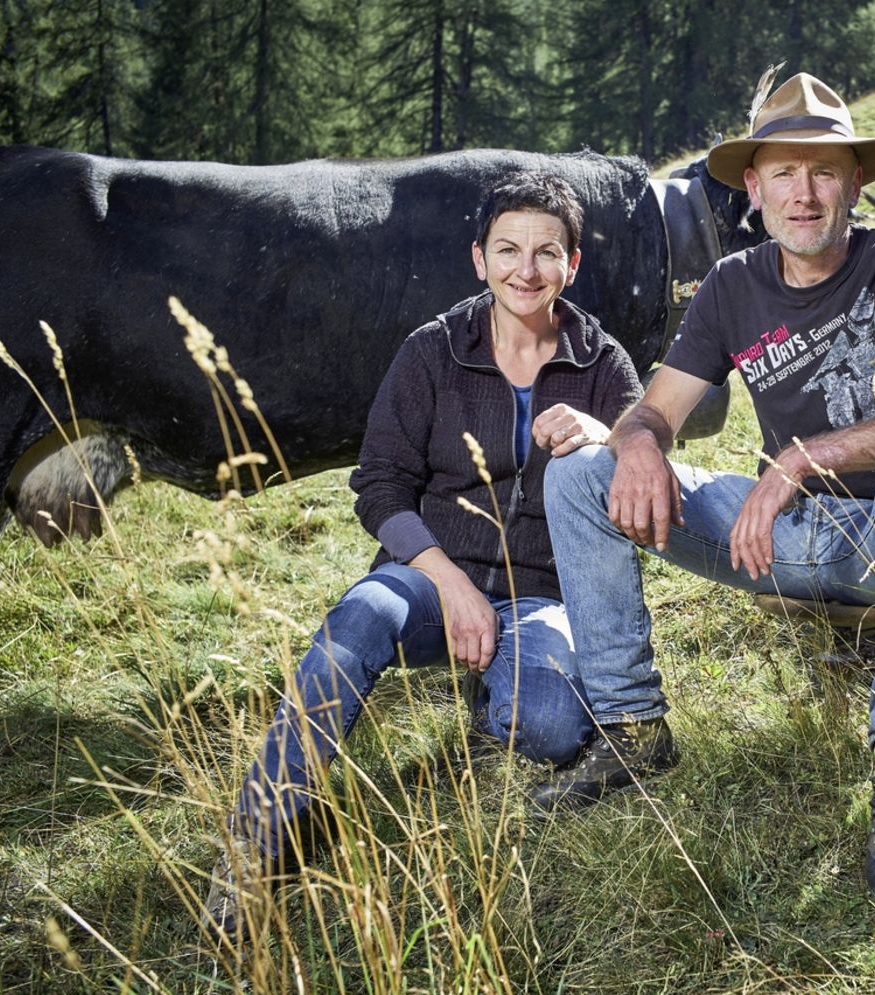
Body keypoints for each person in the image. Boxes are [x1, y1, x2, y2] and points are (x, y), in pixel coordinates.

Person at [535, 71, 875, 902]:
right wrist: (633, 443)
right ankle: (631, 728)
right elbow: (653, 414)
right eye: (783, 172)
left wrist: (800, 459)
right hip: (772, 536)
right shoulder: (731, 285)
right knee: (582, 472)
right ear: (754, 187)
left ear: (856, 180)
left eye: (822, 171)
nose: (803, 194)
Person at [204, 172, 643, 940]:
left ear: (572, 265)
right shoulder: (434, 351)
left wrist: (613, 442)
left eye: (547, 253)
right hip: (424, 577)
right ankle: (258, 836)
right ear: (479, 258)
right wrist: (449, 583)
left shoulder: (603, 363)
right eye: (508, 249)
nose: (526, 270)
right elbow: (377, 488)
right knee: (357, 619)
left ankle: (494, 687)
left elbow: (646, 484)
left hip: (542, 595)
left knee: (545, 728)